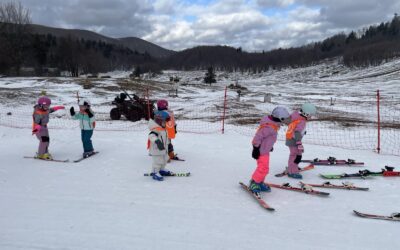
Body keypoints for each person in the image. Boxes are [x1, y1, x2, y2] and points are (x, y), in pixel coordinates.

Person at [249, 106, 290, 195]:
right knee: (262, 168)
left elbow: (268, 138)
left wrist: (269, 146)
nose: (284, 121)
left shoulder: (273, 125)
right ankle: (254, 183)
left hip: (265, 150)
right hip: (260, 151)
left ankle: (259, 182)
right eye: (283, 119)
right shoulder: (268, 127)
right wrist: (255, 149)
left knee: (265, 168)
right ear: (279, 118)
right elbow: (257, 138)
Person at [285, 103, 316, 179]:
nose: (311, 117)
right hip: (294, 140)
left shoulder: (296, 116)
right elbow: (297, 132)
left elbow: (295, 128)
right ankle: (292, 171)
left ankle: (292, 167)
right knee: (295, 155)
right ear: (305, 113)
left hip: (290, 138)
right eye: (310, 115)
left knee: (295, 154)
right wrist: (299, 143)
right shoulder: (301, 121)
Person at [148, 110, 174, 181]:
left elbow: (165, 138)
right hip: (157, 150)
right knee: (158, 162)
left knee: (164, 160)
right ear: (159, 121)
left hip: (163, 149)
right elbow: (151, 136)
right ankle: (155, 172)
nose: (165, 123)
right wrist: (157, 141)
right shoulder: (156, 129)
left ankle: (162, 170)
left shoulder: (163, 129)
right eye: (164, 122)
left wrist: (168, 144)